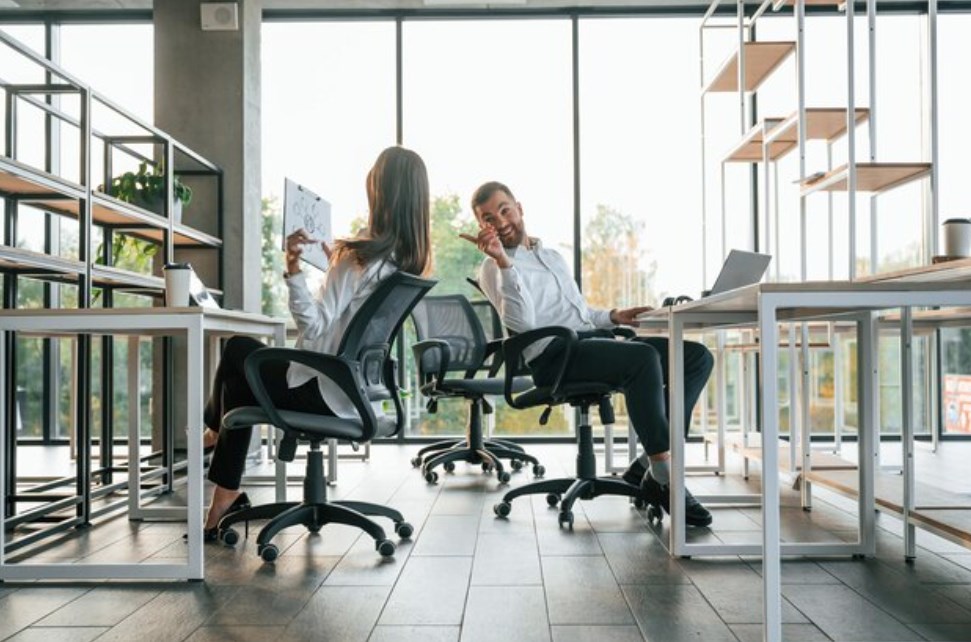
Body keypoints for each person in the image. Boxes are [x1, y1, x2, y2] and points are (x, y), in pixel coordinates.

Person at [196, 145, 432, 540]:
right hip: (355, 394)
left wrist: (293, 269)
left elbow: (313, 327)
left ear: (380, 191)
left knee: (239, 349)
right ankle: (224, 491)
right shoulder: (405, 263)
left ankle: (217, 439)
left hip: (320, 392)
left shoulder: (355, 256)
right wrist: (334, 270)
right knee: (244, 366)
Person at [461, 181, 714, 527]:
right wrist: (505, 263)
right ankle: (666, 476)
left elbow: (578, 313)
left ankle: (648, 466)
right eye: (488, 218)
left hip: (587, 340)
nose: (500, 220)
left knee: (696, 357)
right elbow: (522, 326)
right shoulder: (493, 268)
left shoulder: (551, 256)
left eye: (504, 209)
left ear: (519, 207)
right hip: (554, 358)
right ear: (482, 227)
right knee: (643, 359)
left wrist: (613, 316)